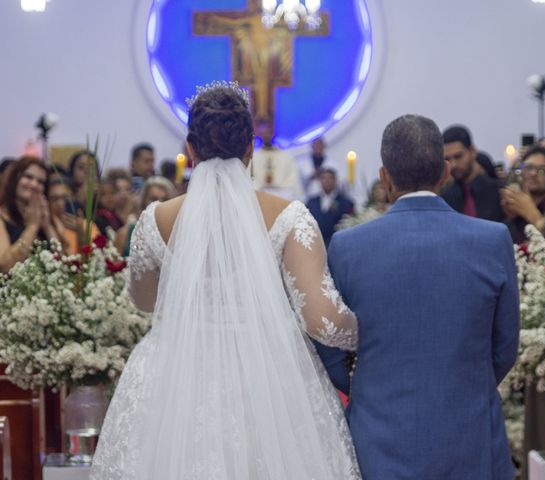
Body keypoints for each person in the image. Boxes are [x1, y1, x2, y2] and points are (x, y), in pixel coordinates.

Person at [91, 81, 361, 479]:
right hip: (268, 379)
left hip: (174, 379)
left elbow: (145, 301)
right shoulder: (288, 216)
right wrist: (369, 332)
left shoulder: (156, 219)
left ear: (190, 148)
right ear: (250, 149)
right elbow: (322, 320)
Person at [316, 114, 519, 479]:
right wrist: (464, 379)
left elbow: (328, 346)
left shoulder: (348, 247)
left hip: (380, 435)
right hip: (469, 434)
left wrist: (369, 386)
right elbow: (504, 347)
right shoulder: (493, 240)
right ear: (444, 172)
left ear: (384, 177)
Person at [0, 157, 60, 273]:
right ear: (15, 179)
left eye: (40, 182)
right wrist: (32, 226)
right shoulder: (2, 218)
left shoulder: (48, 218)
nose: (34, 184)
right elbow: (5, 266)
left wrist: (47, 226)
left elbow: (63, 262)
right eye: (28, 177)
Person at [441, 125, 505, 222]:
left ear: (473, 151)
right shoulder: (445, 198)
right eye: (447, 159)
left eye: (458, 156)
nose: (453, 164)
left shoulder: (500, 192)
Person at [501, 146, 545, 244]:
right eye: (528, 168)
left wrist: (530, 212)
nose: (533, 173)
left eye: (542, 170)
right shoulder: (512, 208)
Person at [114, 176, 177, 257]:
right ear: (143, 202)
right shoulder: (125, 234)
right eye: (154, 199)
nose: (160, 204)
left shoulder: (177, 236)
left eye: (165, 199)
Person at [48, 177, 100, 254]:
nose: (60, 204)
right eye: (54, 199)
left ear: (73, 198)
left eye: (65, 198)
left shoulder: (88, 226)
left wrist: (81, 233)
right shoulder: (45, 227)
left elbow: (93, 260)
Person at [251, 124, 303, 200]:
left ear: (273, 134)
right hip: (261, 192)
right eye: (264, 133)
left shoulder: (285, 155)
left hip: (282, 193)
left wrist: (282, 187)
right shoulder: (254, 156)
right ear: (260, 135)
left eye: (268, 133)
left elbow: (292, 175)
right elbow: (251, 177)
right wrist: (259, 187)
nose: (266, 136)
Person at [306, 168, 354, 246]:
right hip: (314, 244)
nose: (327, 181)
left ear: (335, 180)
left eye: (330, 178)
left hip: (337, 245)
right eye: (324, 178)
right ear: (320, 181)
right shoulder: (311, 202)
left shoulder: (346, 203)